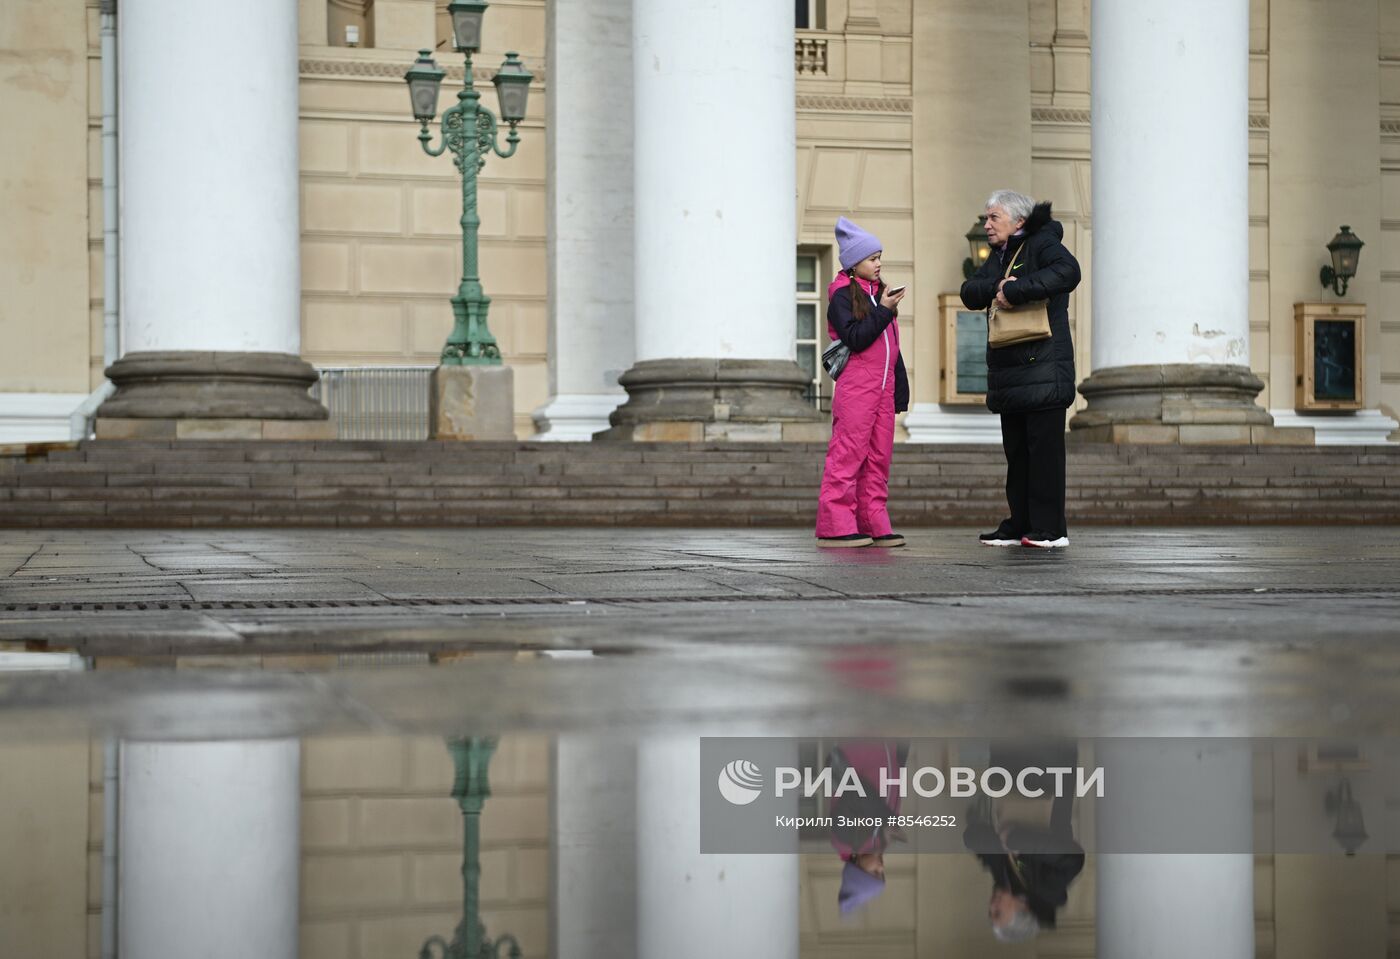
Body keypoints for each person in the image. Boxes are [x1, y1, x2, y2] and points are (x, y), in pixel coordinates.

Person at [959, 190, 1081, 549]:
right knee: (1018, 455)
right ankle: (1020, 524)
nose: (986, 224)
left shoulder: (1042, 243)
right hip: (1011, 374)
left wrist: (1018, 291)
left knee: (1044, 456)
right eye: (986, 217)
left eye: (994, 217)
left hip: (1043, 369)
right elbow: (969, 291)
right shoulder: (1000, 256)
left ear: (1019, 222)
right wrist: (999, 285)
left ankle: (1050, 529)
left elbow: (1068, 272)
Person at [816, 217, 909, 549]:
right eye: (872, 258)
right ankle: (835, 525)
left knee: (878, 458)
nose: (879, 263)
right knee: (847, 456)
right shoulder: (842, 296)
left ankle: (873, 521)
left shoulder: (879, 295)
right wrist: (884, 311)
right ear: (854, 264)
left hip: (882, 390)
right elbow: (856, 339)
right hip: (857, 389)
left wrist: (900, 390)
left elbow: (892, 349)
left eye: (879, 256)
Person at [963, 742, 1085, 942]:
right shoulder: (1048, 887)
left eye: (990, 912)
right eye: (997, 913)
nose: (991, 906)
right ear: (1023, 910)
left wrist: (999, 842)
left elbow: (971, 837)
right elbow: (1072, 858)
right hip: (1046, 767)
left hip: (1006, 764)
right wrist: (1016, 840)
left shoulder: (1002, 876)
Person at [828, 740, 910, 915]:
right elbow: (895, 781)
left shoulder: (845, 837)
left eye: (874, 873)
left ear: (857, 869)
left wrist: (886, 820)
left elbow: (856, 793)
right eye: (882, 874)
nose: (881, 868)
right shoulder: (881, 841)